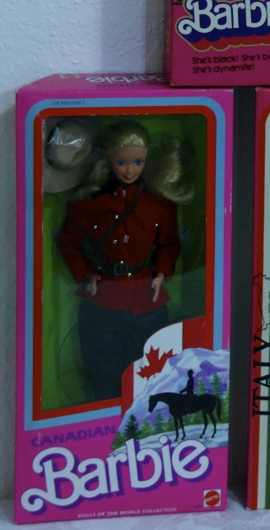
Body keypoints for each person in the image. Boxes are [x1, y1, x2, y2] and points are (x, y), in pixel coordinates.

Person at [58, 120, 193, 401]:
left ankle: (146, 410)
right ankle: (105, 412)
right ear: (108, 161)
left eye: (137, 162)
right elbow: (68, 242)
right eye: (121, 162)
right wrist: (85, 273)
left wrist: (162, 272)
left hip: (146, 296)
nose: (129, 170)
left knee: (150, 363)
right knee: (103, 366)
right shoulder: (89, 205)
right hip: (103, 297)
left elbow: (169, 242)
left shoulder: (158, 205)